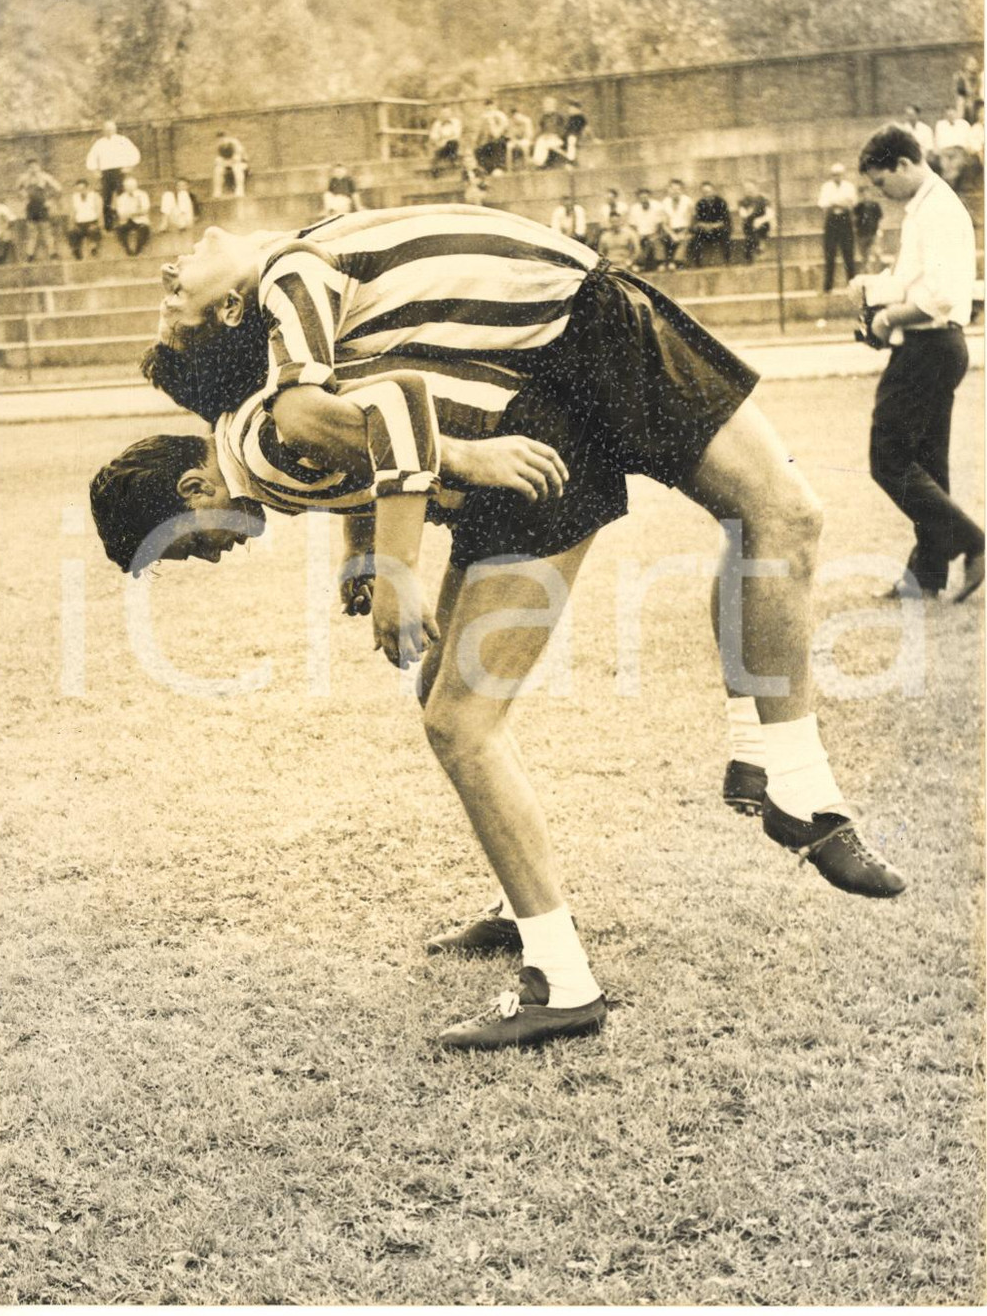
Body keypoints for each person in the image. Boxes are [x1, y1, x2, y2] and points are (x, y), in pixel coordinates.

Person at [92, 205, 907, 1051]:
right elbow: (363, 429)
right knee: (444, 692)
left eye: (183, 553)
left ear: (190, 492)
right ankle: (571, 879)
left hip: (574, 359)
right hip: (534, 405)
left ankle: (583, 962)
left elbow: (387, 410)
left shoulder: (283, 305)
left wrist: (402, 565)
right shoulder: (270, 370)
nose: (172, 271)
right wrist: (363, 547)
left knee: (467, 718)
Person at [854, 124, 984, 604]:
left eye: (881, 182)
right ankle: (926, 578)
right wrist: (872, 288)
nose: (879, 193)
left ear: (903, 165)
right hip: (932, 347)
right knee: (928, 462)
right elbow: (913, 280)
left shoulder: (940, 212)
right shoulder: (924, 209)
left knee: (888, 460)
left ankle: (972, 541)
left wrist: (888, 316)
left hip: (929, 346)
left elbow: (941, 296)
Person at [85, 119, 141, 231]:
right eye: (106, 129)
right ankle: (108, 226)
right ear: (103, 130)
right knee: (106, 199)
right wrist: (95, 170)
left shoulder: (123, 140)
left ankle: (126, 222)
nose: (109, 131)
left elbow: (135, 153)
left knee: (123, 197)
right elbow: (91, 158)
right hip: (106, 173)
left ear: (115, 129)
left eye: (111, 128)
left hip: (119, 172)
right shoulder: (99, 143)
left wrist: (129, 167)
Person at [817, 163, 856, 296]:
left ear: (843, 175)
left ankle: (852, 286)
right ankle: (828, 287)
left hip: (845, 221)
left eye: (839, 174)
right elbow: (824, 204)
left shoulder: (849, 186)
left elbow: (851, 204)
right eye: (834, 174)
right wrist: (839, 203)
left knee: (848, 254)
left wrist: (835, 203)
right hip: (831, 221)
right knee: (830, 254)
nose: (836, 177)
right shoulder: (826, 187)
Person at [16, 157, 62, 261]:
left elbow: (58, 188)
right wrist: (23, 197)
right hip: (30, 207)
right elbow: (18, 190)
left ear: (38, 166)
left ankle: (52, 253)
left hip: (42, 206)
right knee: (32, 232)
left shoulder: (45, 177)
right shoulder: (23, 178)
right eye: (30, 167)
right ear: (27, 168)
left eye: (34, 166)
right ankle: (30, 255)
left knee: (46, 231)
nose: (32, 169)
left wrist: (50, 201)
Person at [688, 181, 732, 268]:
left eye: (708, 191)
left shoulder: (721, 202)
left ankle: (727, 261)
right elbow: (698, 220)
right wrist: (705, 226)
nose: (707, 194)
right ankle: (697, 263)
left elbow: (725, 220)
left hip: (719, 227)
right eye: (704, 192)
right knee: (697, 235)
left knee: (724, 234)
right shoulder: (700, 203)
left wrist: (714, 226)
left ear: (713, 191)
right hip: (706, 229)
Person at [627, 189, 666, 271]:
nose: (644, 199)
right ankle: (639, 264)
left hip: (654, 233)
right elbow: (633, 226)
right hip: (640, 235)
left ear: (649, 197)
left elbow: (660, 225)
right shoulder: (634, 208)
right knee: (636, 242)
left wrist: (654, 235)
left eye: (646, 197)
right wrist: (638, 236)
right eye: (641, 198)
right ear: (638, 199)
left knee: (655, 240)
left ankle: (660, 263)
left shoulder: (657, 206)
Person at [934, 106, 973, 189]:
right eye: (948, 114)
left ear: (956, 114)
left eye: (952, 114)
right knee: (944, 166)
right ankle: (949, 186)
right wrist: (939, 151)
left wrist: (967, 150)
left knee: (954, 166)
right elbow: (938, 140)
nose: (950, 116)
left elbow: (969, 139)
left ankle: (947, 187)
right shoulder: (940, 124)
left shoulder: (964, 124)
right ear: (945, 115)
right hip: (945, 151)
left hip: (958, 150)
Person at [736, 180, 774, 263]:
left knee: (755, 232)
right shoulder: (742, 201)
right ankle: (759, 246)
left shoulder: (764, 199)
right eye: (746, 188)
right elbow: (743, 214)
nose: (749, 190)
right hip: (749, 224)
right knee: (750, 231)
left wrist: (759, 220)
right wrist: (749, 213)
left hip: (763, 223)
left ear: (756, 187)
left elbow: (770, 214)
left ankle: (751, 253)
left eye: (751, 188)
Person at [114, 174, 151, 256]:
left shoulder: (142, 195)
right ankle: (128, 249)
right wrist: (136, 212)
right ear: (124, 187)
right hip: (127, 221)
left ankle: (138, 250)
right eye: (127, 186)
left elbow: (145, 209)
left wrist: (130, 213)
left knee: (144, 229)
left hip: (141, 220)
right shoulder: (121, 198)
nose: (129, 188)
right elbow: (121, 213)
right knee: (119, 230)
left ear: (136, 186)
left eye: (131, 186)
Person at [660, 178, 693, 269]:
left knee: (685, 239)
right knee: (665, 238)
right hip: (671, 230)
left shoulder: (688, 201)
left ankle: (676, 262)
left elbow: (690, 221)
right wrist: (672, 234)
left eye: (678, 189)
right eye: (673, 189)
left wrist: (683, 232)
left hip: (684, 229)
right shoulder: (665, 202)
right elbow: (664, 223)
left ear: (682, 190)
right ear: (669, 190)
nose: (675, 192)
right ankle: (666, 262)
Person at [67, 179, 103, 260]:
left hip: (92, 222)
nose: (80, 191)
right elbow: (72, 212)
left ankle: (94, 249)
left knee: (93, 231)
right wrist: (71, 224)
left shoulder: (95, 196)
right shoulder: (74, 197)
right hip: (79, 223)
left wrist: (98, 223)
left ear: (87, 187)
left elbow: (99, 211)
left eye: (82, 188)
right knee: (72, 232)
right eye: (78, 189)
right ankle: (76, 251)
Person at [852, 183, 883, 272]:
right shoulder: (858, 206)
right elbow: (855, 219)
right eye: (862, 194)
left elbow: (879, 218)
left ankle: (879, 272)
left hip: (874, 233)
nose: (865, 195)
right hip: (862, 234)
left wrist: (879, 231)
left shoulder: (875, 205)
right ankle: (868, 273)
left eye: (867, 193)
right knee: (864, 256)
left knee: (877, 253)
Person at [474, 100, 509, 177]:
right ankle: (486, 169)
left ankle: (499, 168)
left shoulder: (501, 117)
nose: (489, 112)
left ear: (495, 107)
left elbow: (496, 134)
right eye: (487, 109)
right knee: (478, 149)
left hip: (502, 140)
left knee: (496, 145)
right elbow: (479, 136)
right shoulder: (484, 118)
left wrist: (491, 121)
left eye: (491, 109)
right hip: (490, 141)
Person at [212, 130, 249, 199]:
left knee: (237, 169)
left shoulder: (235, 144)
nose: (221, 141)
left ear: (227, 137)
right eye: (219, 140)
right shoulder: (220, 146)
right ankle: (217, 192)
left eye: (223, 139)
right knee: (218, 170)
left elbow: (238, 158)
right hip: (229, 164)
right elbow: (218, 159)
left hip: (242, 163)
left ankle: (240, 190)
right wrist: (222, 162)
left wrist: (227, 162)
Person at [532, 96, 566, 169]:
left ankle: (540, 163)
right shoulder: (543, 117)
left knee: (544, 143)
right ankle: (539, 163)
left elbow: (563, 129)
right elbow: (540, 129)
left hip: (557, 138)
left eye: (548, 105)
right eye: (545, 105)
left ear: (553, 106)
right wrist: (536, 137)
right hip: (545, 138)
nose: (545, 107)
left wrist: (554, 135)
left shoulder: (559, 117)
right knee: (540, 141)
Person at [427, 106, 462, 177]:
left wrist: (444, 139)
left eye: (447, 113)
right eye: (443, 113)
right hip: (441, 146)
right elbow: (433, 136)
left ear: (451, 113)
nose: (445, 115)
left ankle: (453, 161)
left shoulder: (456, 122)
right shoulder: (437, 124)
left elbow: (456, 135)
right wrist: (439, 142)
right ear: (440, 114)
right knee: (436, 157)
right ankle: (435, 174)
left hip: (452, 145)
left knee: (452, 143)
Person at [954, 55, 983, 122]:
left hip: (975, 101)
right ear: (966, 65)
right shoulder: (961, 76)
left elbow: (978, 92)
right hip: (964, 101)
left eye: (975, 64)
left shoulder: (978, 77)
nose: (974, 66)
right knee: (964, 104)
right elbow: (961, 93)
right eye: (971, 64)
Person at [562, 100, 588, 164]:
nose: (569, 110)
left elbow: (586, 128)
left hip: (577, 135)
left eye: (571, 108)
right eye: (569, 109)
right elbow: (566, 129)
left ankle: (571, 161)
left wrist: (593, 138)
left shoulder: (581, 117)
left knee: (571, 140)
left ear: (577, 109)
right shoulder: (570, 118)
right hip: (568, 135)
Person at [0, 201, 17, 266]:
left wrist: (5, 228)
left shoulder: (0, 208)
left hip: (1, 229)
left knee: (5, 242)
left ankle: (1, 259)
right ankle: (0, 259)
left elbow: (11, 220)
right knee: (4, 243)